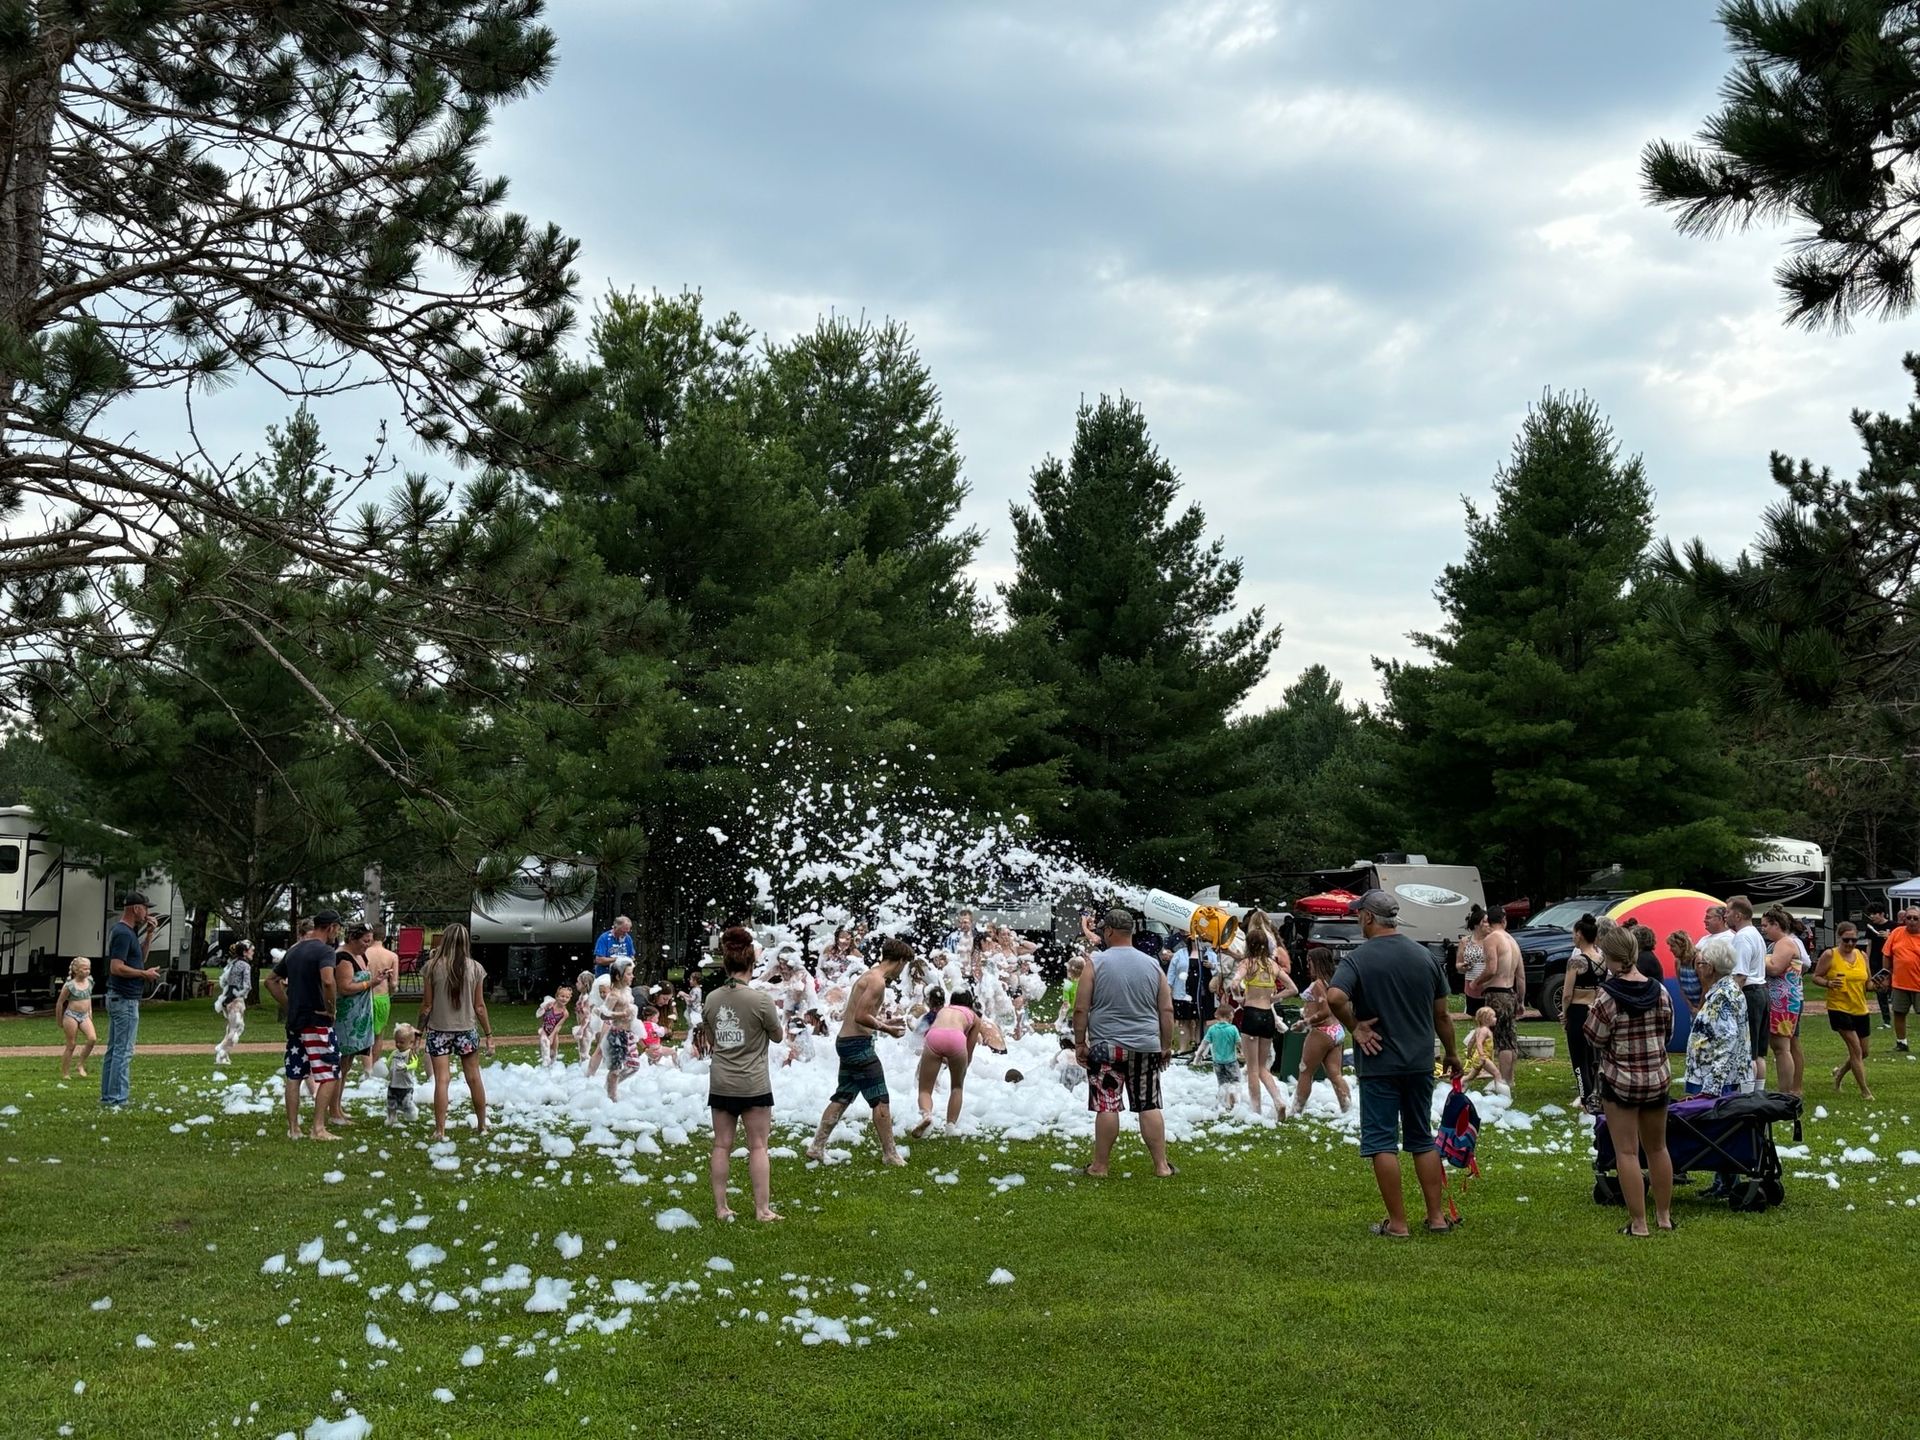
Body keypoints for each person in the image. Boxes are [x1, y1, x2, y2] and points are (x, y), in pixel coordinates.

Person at [1326, 890, 1459, 1237]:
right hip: (1420, 1062)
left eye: (1359, 914)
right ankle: (1436, 1217)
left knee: (1382, 1141)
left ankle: (1398, 1224)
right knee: (1421, 1138)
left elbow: (1335, 997)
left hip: (1379, 1062)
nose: (1358, 919)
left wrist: (1355, 1027)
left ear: (1369, 917)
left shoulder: (1358, 959)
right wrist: (1452, 1053)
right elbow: (1442, 1015)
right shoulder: (1425, 956)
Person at [1072, 908, 1177, 1179]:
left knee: (1107, 1104)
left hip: (1106, 1046)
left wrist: (1080, 1043)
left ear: (1108, 931)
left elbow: (1081, 1008)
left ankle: (1100, 1167)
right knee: (1149, 1104)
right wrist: (1165, 1045)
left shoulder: (1096, 963)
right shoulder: (1152, 964)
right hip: (1146, 1046)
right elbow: (1166, 1010)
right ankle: (1162, 1166)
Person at [1584, 926, 1675, 1237]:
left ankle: (1639, 1223)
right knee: (1658, 1148)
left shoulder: (1607, 996)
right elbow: (1668, 1032)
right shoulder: (1659, 991)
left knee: (1627, 1152)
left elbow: (1594, 1036)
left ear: (1609, 957)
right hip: (1656, 1078)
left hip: (1620, 1081)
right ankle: (1664, 1216)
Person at [700, 926, 785, 1222]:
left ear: (726, 963)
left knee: (721, 1144)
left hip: (722, 1082)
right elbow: (778, 1036)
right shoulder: (761, 1000)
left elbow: (712, 1040)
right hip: (753, 1083)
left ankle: (721, 1207)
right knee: (758, 1146)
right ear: (752, 963)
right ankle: (762, 1209)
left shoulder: (711, 999)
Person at [808, 937, 911, 1166]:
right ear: (900, 961)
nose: (902, 972)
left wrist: (886, 1022)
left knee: (843, 1095)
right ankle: (890, 1154)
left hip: (846, 1042)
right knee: (880, 1099)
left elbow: (858, 1012)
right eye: (904, 965)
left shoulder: (869, 975)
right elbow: (860, 1016)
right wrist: (887, 1029)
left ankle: (816, 1147)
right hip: (857, 1046)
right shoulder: (877, 982)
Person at [265, 910, 343, 1141]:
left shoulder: (294, 950)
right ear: (331, 927)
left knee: (295, 1073)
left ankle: (293, 1128)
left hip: (296, 1022)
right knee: (329, 1072)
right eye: (337, 929)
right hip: (317, 1021)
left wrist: (289, 1005)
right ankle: (318, 1128)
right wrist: (331, 1009)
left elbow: (270, 981)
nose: (337, 933)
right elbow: (328, 980)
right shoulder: (325, 951)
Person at [416, 922, 493, 1141]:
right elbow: (479, 1006)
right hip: (466, 1030)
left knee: (442, 1080)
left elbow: (427, 1005)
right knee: (474, 1078)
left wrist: (418, 1032)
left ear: (445, 940)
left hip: (438, 1030)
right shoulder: (475, 968)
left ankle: (440, 1130)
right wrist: (488, 1034)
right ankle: (482, 1125)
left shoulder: (432, 967)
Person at [99, 890, 160, 1110]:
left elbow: (139, 959)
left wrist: (149, 935)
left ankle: (108, 1096)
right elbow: (116, 967)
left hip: (119, 998)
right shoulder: (123, 933)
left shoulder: (128, 932)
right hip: (124, 998)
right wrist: (145, 975)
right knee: (123, 1051)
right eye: (146, 908)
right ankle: (117, 1098)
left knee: (114, 1050)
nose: (147, 913)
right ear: (136, 908)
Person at [1234, 928, 1298, 1118]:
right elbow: (1293, 989)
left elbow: (1234, 983)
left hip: (1251, 1014)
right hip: (1267, 1016)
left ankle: (1256, 1110)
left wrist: (1238, 998)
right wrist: (1273, 999)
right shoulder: (1272, 965)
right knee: (1263, 1067)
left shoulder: (1247, 963)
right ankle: (1278, 1100)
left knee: (1252, 1068)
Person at [1809, 923, 1873, 1100]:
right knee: (1856, 1049)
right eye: (1846, 940)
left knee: (1864, 1052)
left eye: (1854, 940)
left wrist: (1878, 985)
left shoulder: (1862, 956)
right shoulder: (1830, 955)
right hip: (1839, 1008)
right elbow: (1815, 976)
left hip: (1860, 1008)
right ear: (1839, 938)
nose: (1850, 943)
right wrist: (1828, 983)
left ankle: (1839, 1074)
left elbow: (1868, 983)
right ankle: (1865, 1092)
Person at [1684, 936, 1750, 1101]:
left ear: (1710, 968)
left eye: (1700, 963)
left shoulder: (1722, 996)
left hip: (1714, 1080)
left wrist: (1712, 1086)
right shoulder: (1726, 989)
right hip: (1713, 1075)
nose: (1697, 968)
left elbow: (1727, 1038)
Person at [911, 989, 983, 1136]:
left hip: (934, 1037)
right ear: (970, 1003)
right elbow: (969, 1050)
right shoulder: (974, 1017)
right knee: (957, 1087)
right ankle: (950, 1127)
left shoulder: (943, 1010)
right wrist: (962, 1065)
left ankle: (926, 1115)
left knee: (925, 1090)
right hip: (956, 1039)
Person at [1290, 946, 1351, 1117]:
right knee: (1335, 1074)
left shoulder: (1318, 984)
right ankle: (1348, 1109)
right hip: (1336, 1031)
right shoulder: (1333, 982)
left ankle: (1296, 1111)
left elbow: (1324, 1011)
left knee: (1305, 1071)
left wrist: (1305, 1022)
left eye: (1309, 961)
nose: (1307, 965)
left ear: (1316, 962)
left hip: (1322, 1031)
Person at [1757, 906, 1806, 1096]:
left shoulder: (1785, 943)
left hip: (1783, 1002)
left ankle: (1786, 1092)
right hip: (1780, 1001)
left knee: (1782, 1048)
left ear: (1776, 925)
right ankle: (1785, 1091)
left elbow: (1775, 968)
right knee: (1779, 1047)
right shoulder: (1778, 944)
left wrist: (1758, 957)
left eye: (1766, 926)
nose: (1763, 930)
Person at [331, 926, 378, 1117]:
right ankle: (334, 1110)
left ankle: (338, 1107)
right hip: (346, 1019)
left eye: (370, 941)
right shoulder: (343, 958)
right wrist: (371, 983)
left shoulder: (361, 956)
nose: (368, 945)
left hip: (359, 1015)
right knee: (340, 1065)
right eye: (365, 941)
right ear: (352, 938)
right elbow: (344, 987)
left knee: (347, 1065)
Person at [1559, 914, 1603, 1109]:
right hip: (1594, 1010)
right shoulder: (1602, 960)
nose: (1573, 937)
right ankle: (1597, 1095)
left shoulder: (1576, 962)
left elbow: (1567, 994)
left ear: (1580, 935)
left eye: (1574, 933)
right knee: (1594, 1057)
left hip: (1577, 1011)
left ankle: (1585, 1100)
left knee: (1579, 1060)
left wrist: (1564, 1013)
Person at [1726, 895, 1770, 1086]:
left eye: (1728, 911)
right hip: (1761, 991)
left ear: (1738, 915)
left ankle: (1748, 1095)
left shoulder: (1742, 937)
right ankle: (1758, 1093)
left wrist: (1730, 1000)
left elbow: (1740, 975)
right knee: (1758, 1052)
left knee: (1747, 1050)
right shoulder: (1756, 934)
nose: (1725, 915)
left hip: (1749, 993)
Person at [1479, 908, 1522, 1089]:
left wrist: (1476, 982)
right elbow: (1521, 976)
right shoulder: (1513, 941)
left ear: (1489, 921)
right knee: (1510, 1038)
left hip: (1497, 992)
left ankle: (1503, 1081)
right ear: (1504, 921)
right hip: (1510, 992)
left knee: (1501, 1040)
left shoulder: (1491, 939)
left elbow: (1491, 968)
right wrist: (1520, 1000)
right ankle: (1509, 1079)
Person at [361, 928, 400, 1079]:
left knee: (365, 1034)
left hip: (365, 996)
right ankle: (373, 1065)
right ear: (384, 937)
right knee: (379, 1035)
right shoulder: (392, 956)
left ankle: (367, 1070)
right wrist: (392, 991)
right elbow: (394, 983)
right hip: (382, 997)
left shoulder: (363, 953)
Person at [602, 962, 641, 1100]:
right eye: (629, 974)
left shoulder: (627, 991)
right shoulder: (614, 995)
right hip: (617, 1034)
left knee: (634, 1066)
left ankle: (609, 1087)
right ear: (618, 976)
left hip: (628, 1034)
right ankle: (611, 1097)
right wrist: (621, 1014)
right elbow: (603, 1014)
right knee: (615, 1070)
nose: (632, 976)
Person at [1885, 906, 1920, 1053]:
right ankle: (1901, 1043)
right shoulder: (1897, 932)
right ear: (1904, 919)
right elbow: (1887, 954)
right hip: (1900, 983)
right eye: (1909, 917)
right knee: (1899, 1012)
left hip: (1918, 984)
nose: (1911, 921)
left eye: (1915, 918)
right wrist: (1886, 976)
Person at [56, 957, 97, 1080]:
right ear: (76, 970)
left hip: (84, 1015)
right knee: (71, 1044)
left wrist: (90, 1012)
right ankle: (65, 1073)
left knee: (92, 1039)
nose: (87, 971)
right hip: (71, 1015)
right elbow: (60, 1003)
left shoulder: (89, 981)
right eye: (84, 969)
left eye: (89, 968)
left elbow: (88, 997)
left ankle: (80, 1064)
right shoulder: (69, 985)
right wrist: (59, 1020)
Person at [213, 942, 253, 1066]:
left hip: (229, 998)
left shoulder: (233, 963)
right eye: (251, 950)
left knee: (233, 1028)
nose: (253, 952)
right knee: (236, 1029)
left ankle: (224, 1054)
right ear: (245, 952)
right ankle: (221, 1051)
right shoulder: (245, 965)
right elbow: (247, 985)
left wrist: (226, 999)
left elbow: (226, 981)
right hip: (236, 1000)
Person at [1202, 1007, 1242, 1111]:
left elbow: (1204, 1043)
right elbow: (1239, 1043)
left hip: (1217, 1062)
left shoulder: (1212, 1029)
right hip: (1231, 1061)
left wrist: (1199, 1056)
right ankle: (1232, 1095)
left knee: (1222, 1082)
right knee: (1235, 1080)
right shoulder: (1233, 1029)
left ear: (1217, 1016)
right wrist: (1243, 1052)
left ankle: (1224, 1100)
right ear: (1230, 1016)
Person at [1453, 905, 1490, 1009]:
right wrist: (1462, 966)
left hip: (1488, 984)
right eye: (1485, 922)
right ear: (1477, 924)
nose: (1489, 924)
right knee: (1474, 1013)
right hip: (1470, 983)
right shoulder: (1465, 941)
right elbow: (1458, 964)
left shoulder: (1491, 940)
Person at [1862, 904, 1892, 1029]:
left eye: (1874, 914)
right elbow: (1869, 945)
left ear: (1882, 914)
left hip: (1891, 963)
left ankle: (1900, 1017)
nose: (1872, 916)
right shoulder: (1871, 928)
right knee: (1880, 991)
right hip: (1876, 963)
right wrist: (1867, 961)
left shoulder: (1894, 926)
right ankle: (1886, 1021)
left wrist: (1889, 936)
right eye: (1870, 914)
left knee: (1895, 990)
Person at [385, 1024, 421, 1126]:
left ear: (411, 1042)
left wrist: (407, 1067)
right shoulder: (394, 1053)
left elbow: (415, 1064)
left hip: (406, 1085)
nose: (398, 1044)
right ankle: (391, 1118)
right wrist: (384, 1068)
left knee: (406, 1103)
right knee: (391, 1103)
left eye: (401, 1042)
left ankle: (413, 1112)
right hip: (393, 1084)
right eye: (396, 1041)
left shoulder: (410, 1053)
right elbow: (388, 1062)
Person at [1460, 1007, 1501, 1092]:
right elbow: (1479, 1043)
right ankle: (1501, 1093)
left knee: (1471, 1076)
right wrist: (1482, 1056)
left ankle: (1461, 1083)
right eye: (1494, 1017)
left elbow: (1471, 1042)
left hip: (1478, 1057)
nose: (1496, 1019)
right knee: (1496, 1073)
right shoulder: (1485, 1030)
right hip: (1483, 1057)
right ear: (1487, 1019)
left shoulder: (1478, 1029)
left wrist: (1469, 1053)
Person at [1166, 936, 1196, 1054]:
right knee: (1183, 1021)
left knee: (1198, 1021)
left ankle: (1198, 1046)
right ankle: (1183, 1048)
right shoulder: (1179, 954)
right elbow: (1171, 973)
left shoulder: (1206, 953)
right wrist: (1169, 989)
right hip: (1181, 992)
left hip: (1198, 992)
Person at [536, 987, 572, 1067]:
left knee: (553, 1053)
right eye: (562, 996)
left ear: (569, 999)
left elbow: (558, 1026)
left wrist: (552, 1036)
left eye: (567, 997)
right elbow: (540, 1015)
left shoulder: (565, 1013)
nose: (564, 999)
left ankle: (552, 1068)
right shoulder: (550, 1005)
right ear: (557, 996)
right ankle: (545, 1064)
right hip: (545, 1029)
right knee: (545, 1046)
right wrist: (541, 1026)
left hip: (554, 1033)